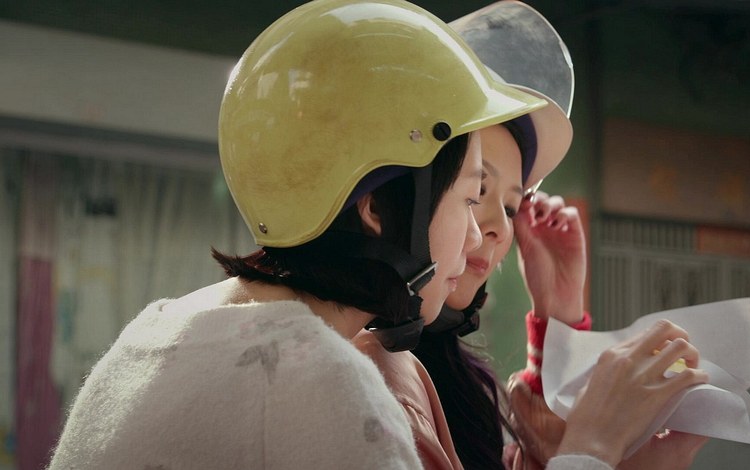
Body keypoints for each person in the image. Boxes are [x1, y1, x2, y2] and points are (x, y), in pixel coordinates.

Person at [46, 0, 550, 468]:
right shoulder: (323, 383)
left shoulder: (151, 332)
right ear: (376, 207)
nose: (476, 236)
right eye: (470, 197)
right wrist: (584, 449)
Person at [354, 2, 709, 469]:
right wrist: (593, 446)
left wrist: (557, 316)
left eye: (511, 206)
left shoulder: (457, 381)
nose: (496, 227)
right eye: (476, 190)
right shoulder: (360, 376)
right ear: (387, 195)